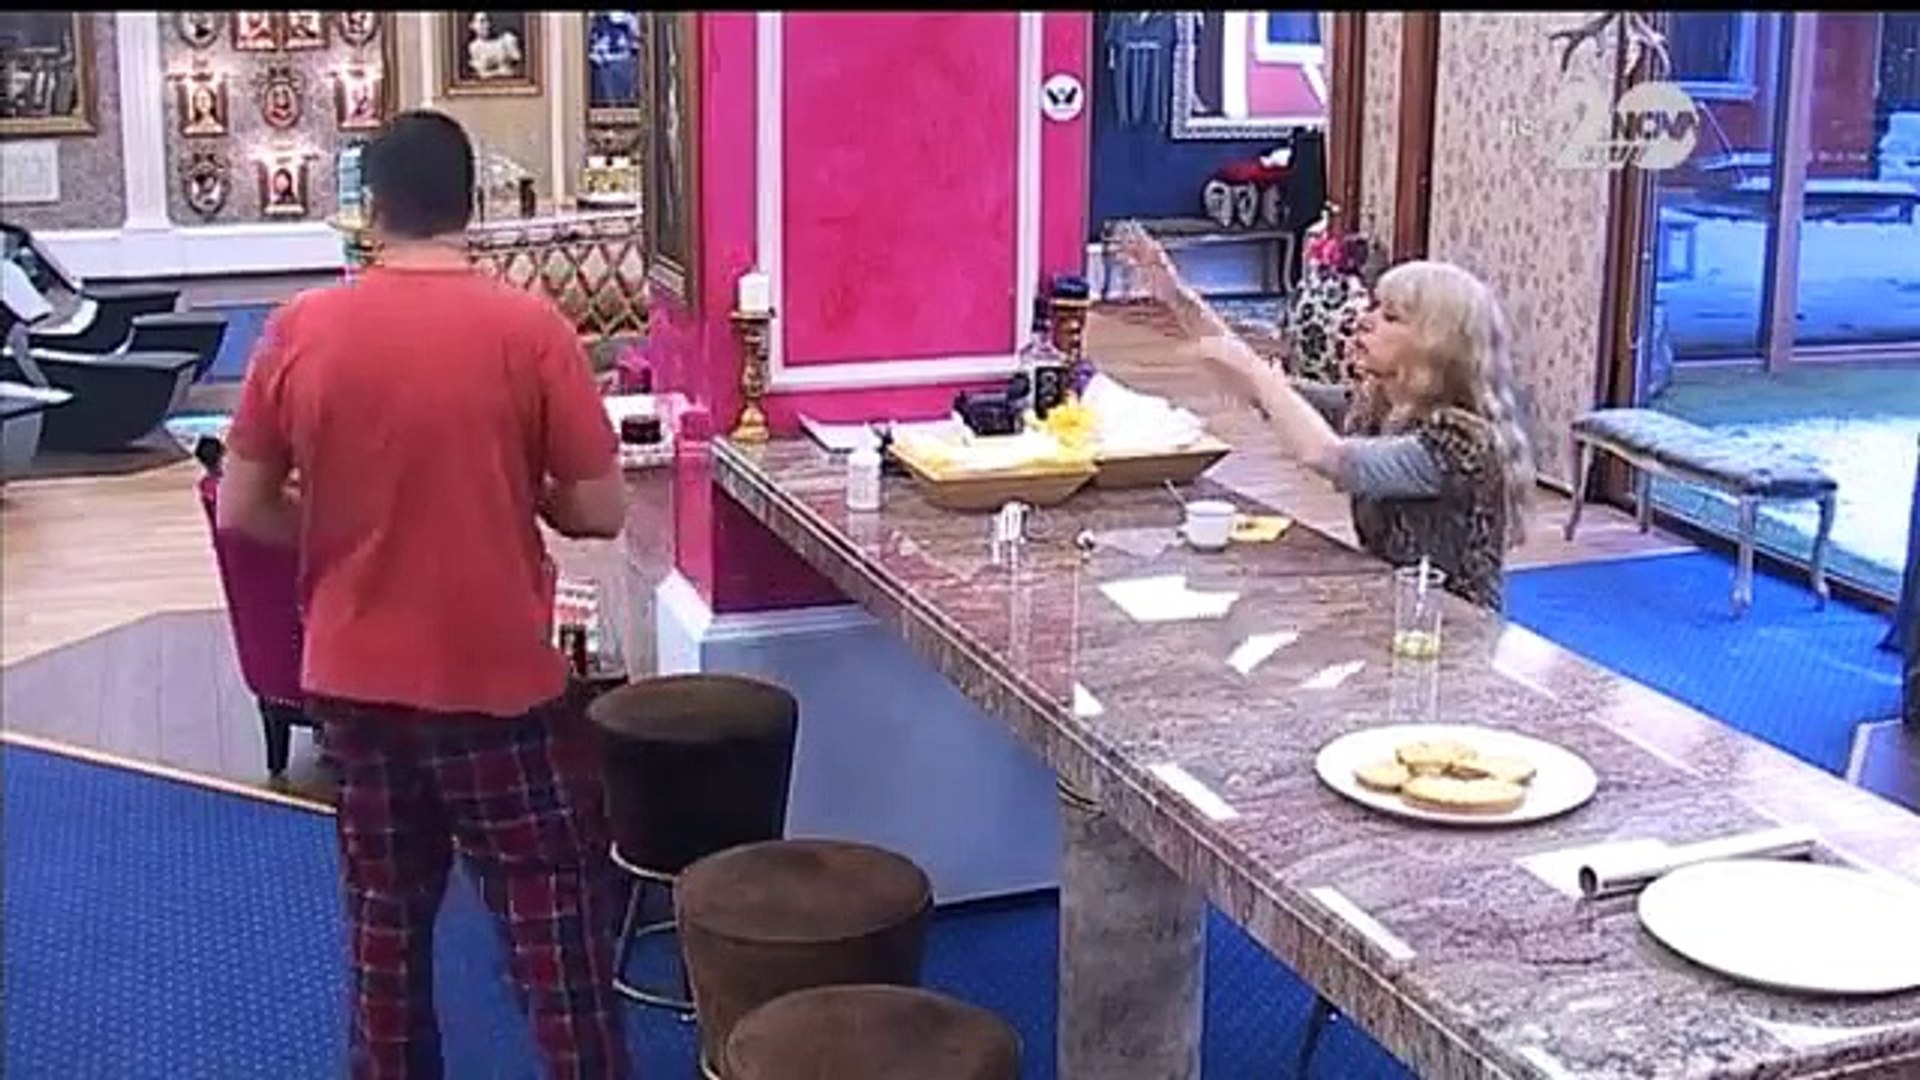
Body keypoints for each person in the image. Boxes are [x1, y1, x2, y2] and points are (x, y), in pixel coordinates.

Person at [218, 110, 631, 1078]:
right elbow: (602, 510)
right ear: (472, 205)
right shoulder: (529, 328)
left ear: (372, 209)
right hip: (497, 676)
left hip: (353, 675)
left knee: (385, 925)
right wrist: (518, 494)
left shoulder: (301, 327)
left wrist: (346, 531)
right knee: (552, 925)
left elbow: (241, 507)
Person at [1119, 224, 1536, 611]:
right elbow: (1269, 394)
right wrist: (1177, 296)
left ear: (1435, 347)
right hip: (1391, 609)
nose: (1365, 320)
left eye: (1390, 317)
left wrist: (1255, 372)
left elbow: (1329, 457)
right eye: (1374, 306)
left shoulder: (1460, 441)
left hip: (1452, 631)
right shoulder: (1377, 405)